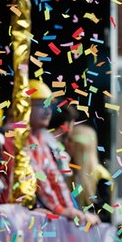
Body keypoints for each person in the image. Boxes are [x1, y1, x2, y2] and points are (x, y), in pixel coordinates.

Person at [27, 79, 100, 225]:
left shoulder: (40, 139)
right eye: (41, 104)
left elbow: (55, 180)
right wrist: (63, 210)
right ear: (25, 105)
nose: (48, 110)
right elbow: (40, 182)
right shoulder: (20, 137)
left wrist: (71, 210)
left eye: (49, 105)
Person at [66, 124, 113, 222]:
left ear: (80, 146)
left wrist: (93, 217)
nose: (66, 143)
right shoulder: (67, 171)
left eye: (70, 139)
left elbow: (106, 212)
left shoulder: (101, 176)